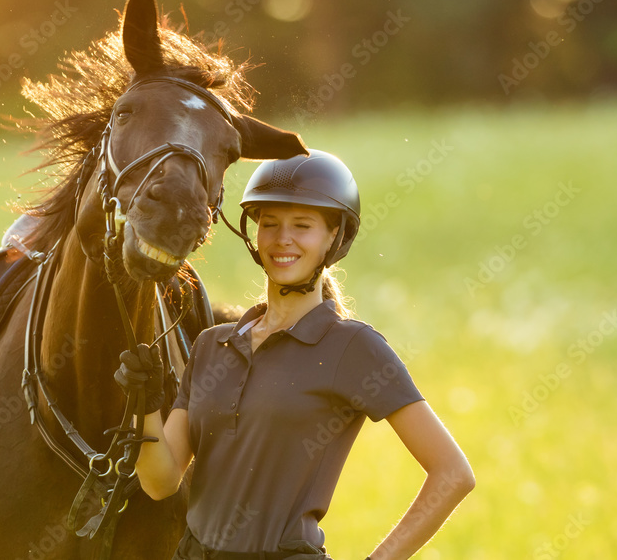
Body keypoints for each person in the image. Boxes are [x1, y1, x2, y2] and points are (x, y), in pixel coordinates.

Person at [115, 149, 475, 560]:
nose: (282, 239)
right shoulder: (212, 345)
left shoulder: (354, 348)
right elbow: (160, 483)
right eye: (270, 224)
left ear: (333, 237)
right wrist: (143, 406)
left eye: (302, 226)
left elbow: (453, 474)